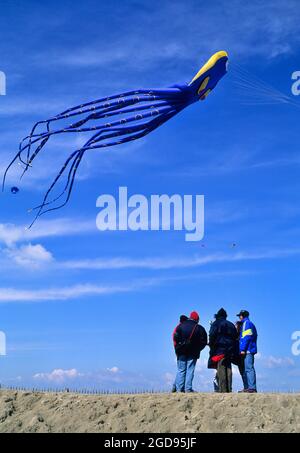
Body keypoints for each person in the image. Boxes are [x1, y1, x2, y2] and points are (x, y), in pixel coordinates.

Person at [173, 311, 207, 393]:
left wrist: (178, 347)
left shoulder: (180, 326)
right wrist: (198, 349)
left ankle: (179, 390)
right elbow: (204, 342)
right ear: (197, 319)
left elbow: (175, 337)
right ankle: (188, 389)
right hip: (193, 352)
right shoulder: (200, 328)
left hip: (181, 351)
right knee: (190, 370)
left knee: (181, 370)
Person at [208, 308, 239, 393]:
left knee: (221, 369)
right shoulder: (231, 324)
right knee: (228, 369)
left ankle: (223, 390)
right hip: (230, 350)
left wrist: (211, 346)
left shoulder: (215, 324)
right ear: (225, 316)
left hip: (219, 350)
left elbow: (211, 335)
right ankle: (229, 389)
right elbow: (236, 337)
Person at [237, 310, 258, 393]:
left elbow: (246, 337)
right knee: (247, 368)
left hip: (248, 350)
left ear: (242, 316)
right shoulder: (250, 323)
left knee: (249, 368)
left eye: (240, 315)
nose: (239, 317)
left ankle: (252, 388)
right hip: (249, 349)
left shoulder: (246, 323)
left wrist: (242, 349)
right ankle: (249, 387)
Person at [171, 315, 188, 392]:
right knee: (181, 370)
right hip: (181, 350)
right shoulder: (181, 328)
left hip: (178, 350)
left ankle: (175, 387)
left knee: (180, 369)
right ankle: (178, 388)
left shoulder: (177, 328)